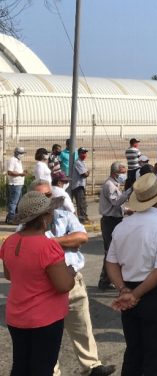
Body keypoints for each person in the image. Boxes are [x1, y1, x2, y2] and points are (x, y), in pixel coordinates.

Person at [29, 180, 116, 376]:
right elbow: (33, 250)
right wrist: (67, 242)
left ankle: (92, 365)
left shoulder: (64, 216)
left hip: (73, 280)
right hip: (45, 285)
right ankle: (52, 371)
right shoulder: (26, 227)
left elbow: (82, 238)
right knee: (48, 333)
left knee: (82, 324)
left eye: (49, 195)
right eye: (42, 196)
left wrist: (50, 242)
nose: (47, 199)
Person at [106, 173, 157, 376]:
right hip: (154, 292)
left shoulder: (123, 226)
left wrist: (123, 290)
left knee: (134, 351)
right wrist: (135, 294)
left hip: (128, 288)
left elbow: (111, 262)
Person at [1, 191, 75, 375]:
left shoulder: (10, 241)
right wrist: (71, 272)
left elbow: (10, 274)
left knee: (20, 365)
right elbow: (64, 285)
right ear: (44, 217)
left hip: (17, 314)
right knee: (41, 367)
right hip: (44, 318)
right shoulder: (47, 246)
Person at [98, 162, 131, 290]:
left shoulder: (114, 184)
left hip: (115, 220)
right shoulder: (109, 185)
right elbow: (116, 202)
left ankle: (108, 279)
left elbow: (117, 206)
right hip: (109, 222)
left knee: (115, 251)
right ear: (115, 173)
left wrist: (127, 210)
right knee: (110, 252)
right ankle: (105, 280)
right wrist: (128, 192)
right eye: (123, 173)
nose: (124, 175)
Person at [6, 146, 27, 224]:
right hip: (15, 184)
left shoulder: (18, 161)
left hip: (19, 183)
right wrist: (21, 174)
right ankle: (11, 219)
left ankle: (12, 217)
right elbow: (10, 172)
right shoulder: (12, 160)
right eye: (21, 153)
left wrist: (23, 172)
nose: (22, 155)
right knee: (13, 202)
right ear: (17, 153)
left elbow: (16, 171)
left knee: (18, 202)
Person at [72, 147, 90, 223]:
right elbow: (84, 174)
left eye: (85, 153)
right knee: (81, 203)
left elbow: (87, 172)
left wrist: (87, 172)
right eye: (83, 153)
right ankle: (82, 219)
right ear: (79, 154)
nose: (84, 154)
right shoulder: (78, 162)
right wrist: (88, 172)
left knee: (83, 202)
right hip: (78, 186)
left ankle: (84, 217)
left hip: (81, 185)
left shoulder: (83, 162)